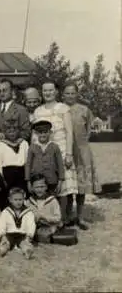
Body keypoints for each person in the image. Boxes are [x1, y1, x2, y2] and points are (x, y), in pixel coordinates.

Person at [33, 80, 78, 224]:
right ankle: (48, 216)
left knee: (64, 185)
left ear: (56, 92)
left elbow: (69, 132)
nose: (48, 93)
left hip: (62, 148)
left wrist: (69, 154)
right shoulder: (38, 111)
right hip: (44, 152)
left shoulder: (63, 108)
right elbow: (35, 135)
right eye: (45, 90)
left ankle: (65, 217)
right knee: (47, 182)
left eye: (51, 90)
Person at [63, 82, 99, 229]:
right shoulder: (61, 109)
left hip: (82, 150)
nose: (70, 96)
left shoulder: (85, 110)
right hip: (67, 150)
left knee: (81, 186)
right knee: (69, 185)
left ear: (77, 94)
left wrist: (82, 144)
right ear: (63, 95)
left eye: (73, 93)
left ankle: (80, 216)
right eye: (67, 93)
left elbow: (89, 129)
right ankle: (68, 216)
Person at [25, 120, 65, 196]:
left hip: (52, 181)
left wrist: (60, 181)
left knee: (51, 200)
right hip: (37, 182)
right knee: (38, 201)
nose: (43, 135)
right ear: (36, 134)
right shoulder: (32, 147)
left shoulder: (54, 147)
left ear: (50, 133)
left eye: (45, 132)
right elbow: (28, 164)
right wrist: (28, 181)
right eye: (40, 132)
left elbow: (60, 165)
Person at [0, 188, 35, 259]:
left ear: (24, 199)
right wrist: (2, 234)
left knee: (24, 244)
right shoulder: (6, 211)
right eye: (15, 200)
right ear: (10, 200)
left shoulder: (28, 212)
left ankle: (27, 251)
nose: (18, 202)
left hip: (22, 234)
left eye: (20, 199)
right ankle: (1, 251)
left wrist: (29, 235)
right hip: (9, 234)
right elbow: (2, 224)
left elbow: (31, 224)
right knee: (6, 243)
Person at [0, 120, 29, 195]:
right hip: (7, 174)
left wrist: (27, 178)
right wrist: (2, 179)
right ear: (4, 132)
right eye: (9, 130)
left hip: (21, 173)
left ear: (19, 131)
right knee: (8, 195)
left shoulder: (24, 143)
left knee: (22, 195)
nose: (12, 133)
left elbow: (27, 162)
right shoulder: (1, 144)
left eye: (14, 130)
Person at [26, 173, 61, 243]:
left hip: (49, 225)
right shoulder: (29, 201)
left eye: (42, 187)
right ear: (32, 188)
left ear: (46, 187)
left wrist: (43, 216)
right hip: (35, 225)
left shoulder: (52, 200)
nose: (39, 189)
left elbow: (58, 218)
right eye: (37, 187)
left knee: (43, 235)